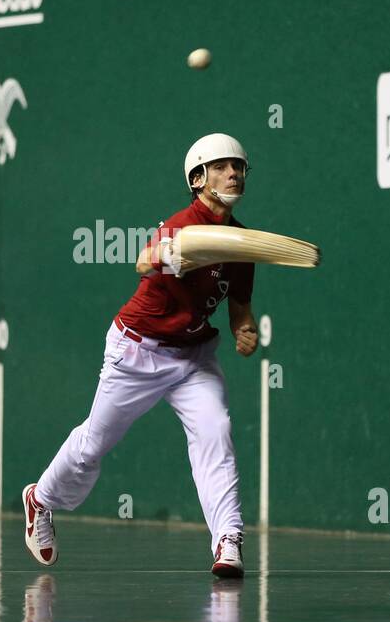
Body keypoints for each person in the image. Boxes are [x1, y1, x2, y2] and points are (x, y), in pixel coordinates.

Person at [23, 133, 259, 577]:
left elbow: (239, 309)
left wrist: (245, 330)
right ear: (198, 179)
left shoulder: (242, 245)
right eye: (223, 166)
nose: (234, 173)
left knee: (216, 429)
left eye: (240, 166)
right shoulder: (181, 225)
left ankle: (228, 539)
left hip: (193, 358)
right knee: (94, 443)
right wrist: (175, 254)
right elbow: (144, 260)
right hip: (138, 350)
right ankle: (41, 500)